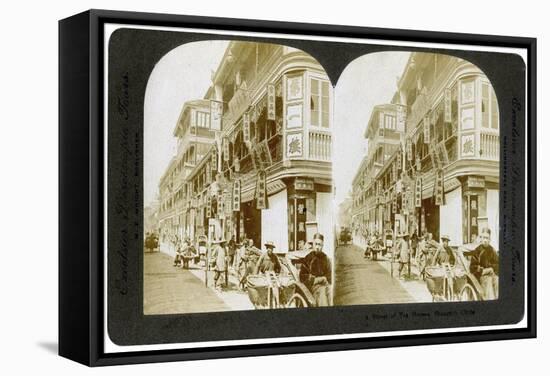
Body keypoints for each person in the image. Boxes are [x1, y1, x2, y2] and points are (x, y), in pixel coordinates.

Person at [463, 228, 499, 299]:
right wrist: (483, 270)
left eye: (487, 238)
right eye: (484, 237)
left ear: (489, 239)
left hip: (492, 274)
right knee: (488, 281)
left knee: (498, 280)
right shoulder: (477, 251)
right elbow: (472, 267)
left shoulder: (492, 250)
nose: (485, 240)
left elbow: (497, 264)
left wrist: (492, 268)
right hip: (481, 277)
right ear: (481, 238)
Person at [299, 233, 332, 307]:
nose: (317, 247)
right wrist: (316, 279)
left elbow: (330, 276)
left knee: (330, 291)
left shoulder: (326, 259)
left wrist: (325, 280)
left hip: (325, 285)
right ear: (313, 244)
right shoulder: (308, 258)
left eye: (319, 245)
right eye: (316, 244)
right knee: (322, 292)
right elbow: (302, 276)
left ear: (322, 246)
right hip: (313, 288)